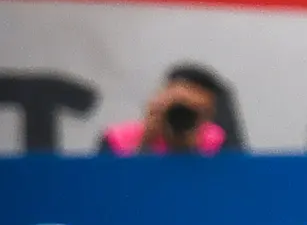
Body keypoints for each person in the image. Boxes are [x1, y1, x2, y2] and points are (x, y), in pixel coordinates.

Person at [96, 64, 227, 156]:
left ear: (208, 114)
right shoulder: (117, 139)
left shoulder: (218, 142)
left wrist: (191, 150)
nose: (182, 117)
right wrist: (146, 141)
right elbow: (110, 186)